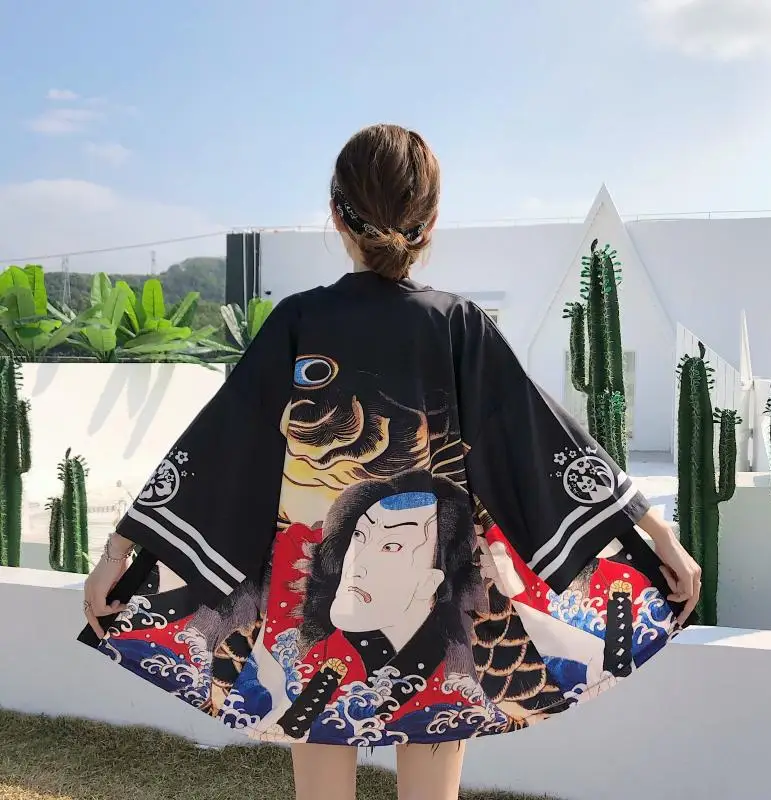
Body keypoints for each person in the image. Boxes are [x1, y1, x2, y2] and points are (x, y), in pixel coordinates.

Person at [80, 123, 701, 800]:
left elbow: (222, 444)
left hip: (310, 597)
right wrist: (658, 535)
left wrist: (120, 552)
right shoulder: (457, 324)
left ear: (336, 213)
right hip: (441, 591)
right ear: (428, 223)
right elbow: (538, 438)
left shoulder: (298, 322)